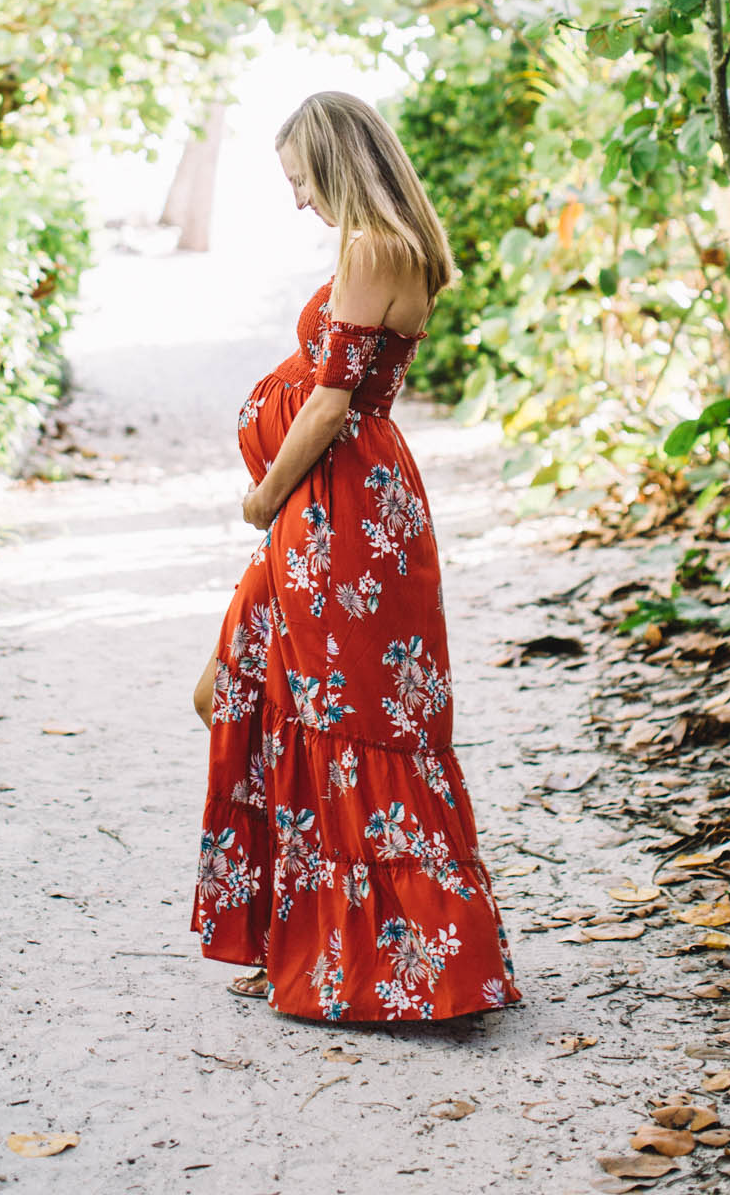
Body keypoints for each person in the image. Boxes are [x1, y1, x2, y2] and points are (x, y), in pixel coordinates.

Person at [191, 90, 522, 1024]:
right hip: (337, 510)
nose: (297, 200)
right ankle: (308, 937)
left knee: (344, 717)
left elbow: (332, 403)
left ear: (338, 160)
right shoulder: (377, 246)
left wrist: (262, 496)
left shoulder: (376, 248)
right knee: (247, 689)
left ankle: (389, 961)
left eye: (301, 179)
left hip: (340, 512)